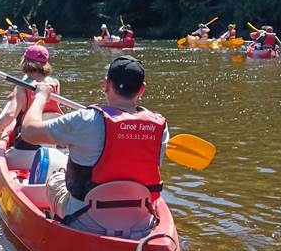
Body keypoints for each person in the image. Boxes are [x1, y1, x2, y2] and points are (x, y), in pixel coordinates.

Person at [20, 56, 169, 237]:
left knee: (55, 177)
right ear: (142, 89)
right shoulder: (160, 126)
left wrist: (41, 96)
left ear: (106, 85)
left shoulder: (85, 119)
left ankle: (58, 225)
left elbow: (28, 132)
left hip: (85, 220)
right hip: (141, 222)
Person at [0, 45, 63, 169]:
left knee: (1, 160)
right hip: (52, 151)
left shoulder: (21, 87)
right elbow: (43, 100)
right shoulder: (54, 84)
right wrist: (16, 94)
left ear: (25, 62)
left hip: (26, 153)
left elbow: (10, 115)